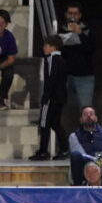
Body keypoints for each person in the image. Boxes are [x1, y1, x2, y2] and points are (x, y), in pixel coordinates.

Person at [30, 34, 67, 162]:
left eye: (46, 46)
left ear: (52, 47)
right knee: (56, 124)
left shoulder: (52, 59)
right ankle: (64, 149)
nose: (44, 48)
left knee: (44, 123)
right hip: (60, 97)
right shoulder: (61, 59)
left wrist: (45, 98)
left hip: (51, 98)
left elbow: (51, 80)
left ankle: (43, 152)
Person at [58, 1, 94, 110]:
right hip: (65, 74)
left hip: (84, 75)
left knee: (85, 108)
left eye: (75, 14)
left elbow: (91, 48)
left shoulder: (87, 30)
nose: (72, 16)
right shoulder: (60, 30)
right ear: (66, 14)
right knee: (58, 105)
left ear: (80, 15)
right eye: (70, 13)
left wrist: (80, 34)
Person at [68, 106, 102, 186]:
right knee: (75, 155)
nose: (89, 116)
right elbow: (82, 155)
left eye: (91, 114)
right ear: (81, 119)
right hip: (85, 165)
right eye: (85, 114)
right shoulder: (74, 136)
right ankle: (78, 190)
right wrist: (100, 161)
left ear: (96, 118)